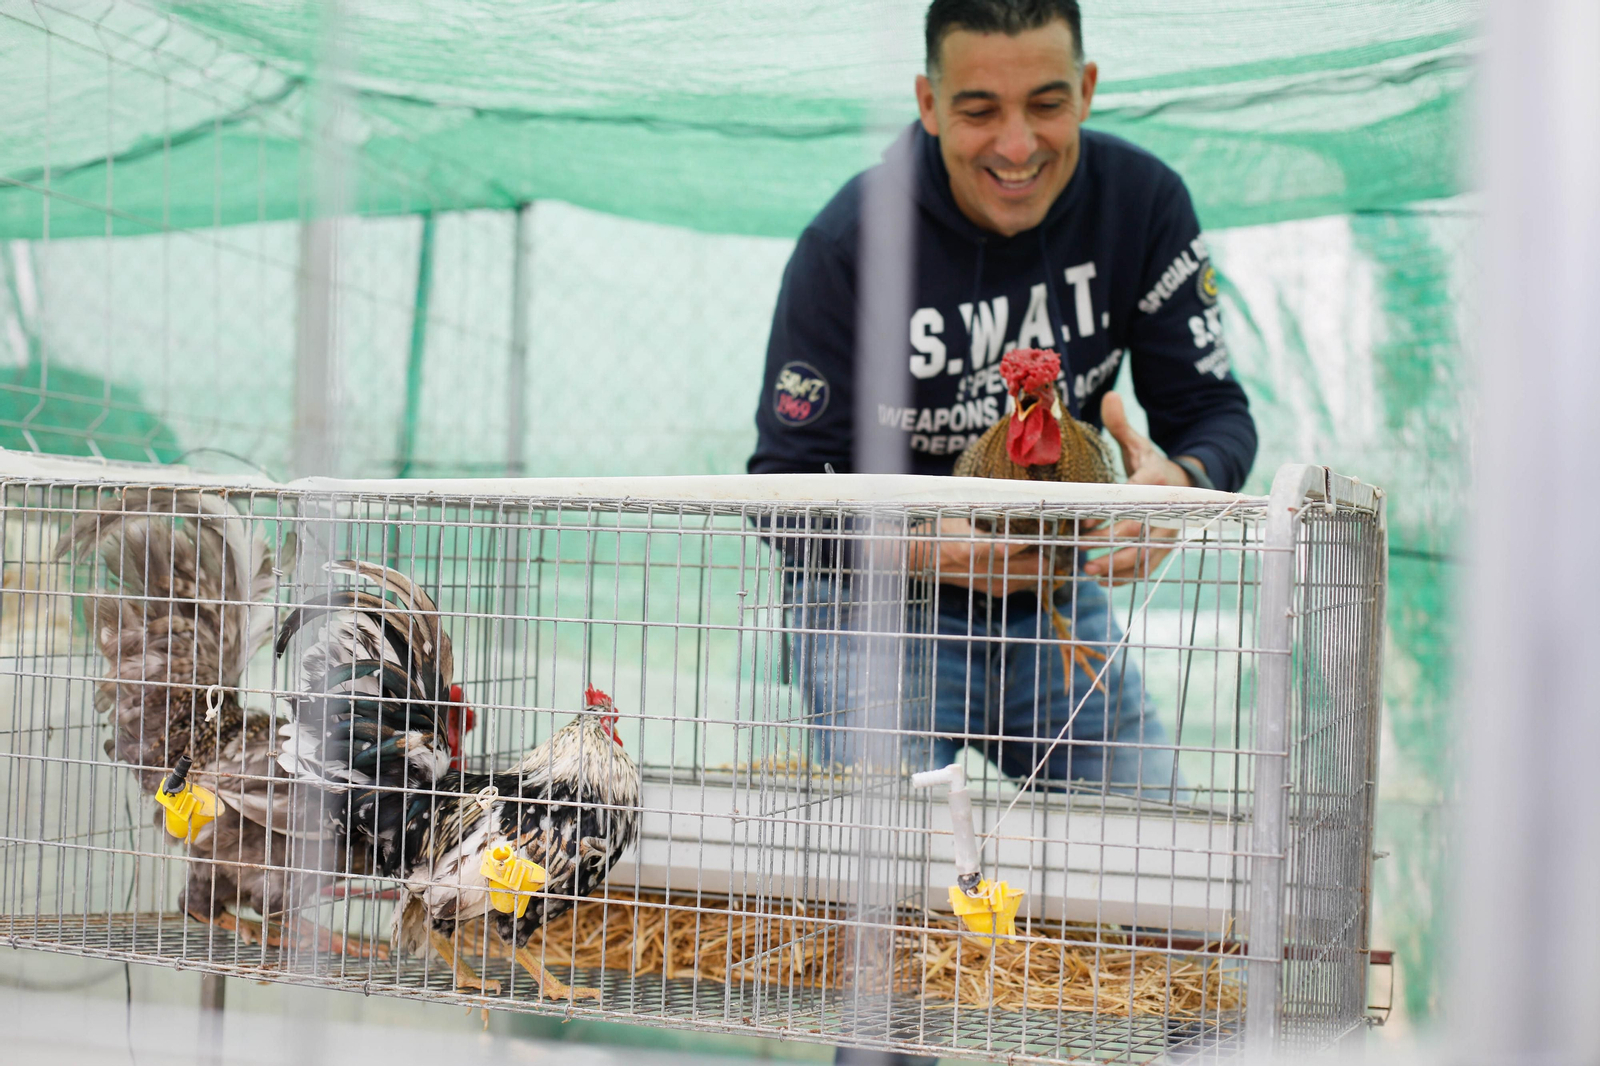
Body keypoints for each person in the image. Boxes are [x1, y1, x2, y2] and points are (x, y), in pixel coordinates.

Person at [749, 3, 1255, 1053]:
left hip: (1056, 613)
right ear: (929, 104)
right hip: (876, 618)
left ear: (1089, 89)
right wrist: (926, 544)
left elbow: (1214, 415)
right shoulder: (849, 243)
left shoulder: (1141, 205)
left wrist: (1179, 484)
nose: (1016, 145)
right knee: (891, 938)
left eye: (1046, 103)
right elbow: (781, 484)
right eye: (978, 108)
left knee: (1176, 893)